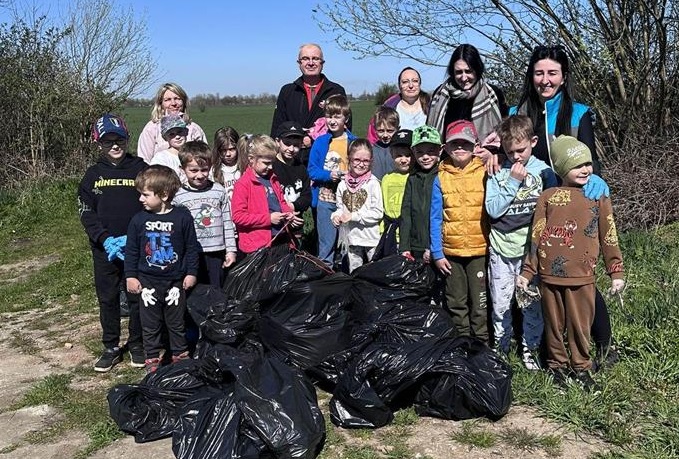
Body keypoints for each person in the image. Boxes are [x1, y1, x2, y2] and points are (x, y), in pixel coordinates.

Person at [512, 45, 618, 370]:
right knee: (544, 275)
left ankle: (602, 344)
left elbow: (590, 158)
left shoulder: (579, 112)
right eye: (539, 73)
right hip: (534, 203)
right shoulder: (519, 110)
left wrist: (596, 182)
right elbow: (507, 146)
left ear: (564, 76)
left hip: (573, 206)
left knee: (580, 277)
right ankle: (547, 347)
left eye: (552, 73)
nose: (545, 80)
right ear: (532, 76)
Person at [518, 135, 624, 390]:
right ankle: (557, 367)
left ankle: (582, 367)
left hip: (582, 276)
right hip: (549, 277)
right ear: (562, 168)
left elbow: (609, 235)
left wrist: (616, 271)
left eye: (588, 163)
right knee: (554, 326)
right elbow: (536, 236)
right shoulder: (548, 197)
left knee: (580, 326)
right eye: (578, 165)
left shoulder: (598, 197)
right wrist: (527, 272)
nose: (586, 169)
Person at [485, 115, 559, 370]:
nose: (516, 156)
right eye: (510, 151)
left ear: (533, 142)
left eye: (521, 150)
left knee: (531, 304)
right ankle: (501, 347)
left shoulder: (544, 173)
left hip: (530, 253)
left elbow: (553, 211)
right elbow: (493, 210)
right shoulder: (497, 171)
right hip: (501, 248)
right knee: (501, 304)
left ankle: (531, 349)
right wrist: (513, 182)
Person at [78, 113, 146, 372]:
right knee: (107, 297)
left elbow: (152, 201)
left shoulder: (140, 167)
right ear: (99, 144)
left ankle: (137, 344)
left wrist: (136, 236)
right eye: (108, 142)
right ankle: (111, 346)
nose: (115, 146)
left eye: (119, 140)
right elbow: (86, 212)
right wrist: (104, 239)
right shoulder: (92, 175)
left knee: (136, 296)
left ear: (127, 139)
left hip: (135, 246)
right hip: (105, 249)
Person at [125, 165, 199, 373]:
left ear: (164, 194)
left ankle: (180, 355)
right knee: (150, 324)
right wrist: (131, 276)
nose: (140, 199)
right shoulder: (138, 220)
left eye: (145, 195)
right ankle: (152, 358)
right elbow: (131, 251)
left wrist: (191, 272)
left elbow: (191, 248)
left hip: (175, 281)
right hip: (148, 281)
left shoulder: (182, 218)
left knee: (177, 322)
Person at [430, 120, 490, 343]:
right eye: (455, 144)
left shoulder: (485, 171)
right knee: (456, 300)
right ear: (445, 147)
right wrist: (437, 253)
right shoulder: (441, 176)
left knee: (480, 300)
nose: (460, 149)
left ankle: (481, 341)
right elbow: (435, 217)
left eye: (465, 144)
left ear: (475, 145)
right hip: (451, 253)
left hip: (479, 250)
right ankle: (462, 341)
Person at [427, 44, 508, 162]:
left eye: (468, 71)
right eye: (459, 72)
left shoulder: (493, 94)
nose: (464, 78)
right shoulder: (441, 95)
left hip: (483, 163)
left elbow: (505, 132)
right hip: (447, 165)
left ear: (477, 70)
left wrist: (491, 152)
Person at [271, 43, 350, 165]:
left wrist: (313, 140)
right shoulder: (287, 91)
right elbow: (277, 128)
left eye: (315, 58)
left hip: (326, 158)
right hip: (293, 159)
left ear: (322, 63)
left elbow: (345, 126)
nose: (311, 63)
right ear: (299, 63)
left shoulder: (336, 91)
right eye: (305, 59)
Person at [173, 141, 237, 288]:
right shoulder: (178, 195)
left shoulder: (218, 190)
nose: (200, 175)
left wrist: (231, 250)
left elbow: (227, 222)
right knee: (193, 290)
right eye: (194, 170)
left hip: (216, 252)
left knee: (216, 289)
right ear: (182, 169)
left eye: (204, 170)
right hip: (191, 253)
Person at [307, 94, 356, 268]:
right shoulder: (320, 142)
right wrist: (329, 175)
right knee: (326, 245)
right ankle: (324, 277)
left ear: (346, 118)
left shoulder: (354, 142)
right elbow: (312, 170)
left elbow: (361, 166)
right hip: (326, 198)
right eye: (329, 116)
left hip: (349, 199)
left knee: (349, 244)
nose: (332, 121)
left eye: (337, 116)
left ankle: (346, 276)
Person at [231, 135, 302, 255]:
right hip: (258, 245)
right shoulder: (243, 184)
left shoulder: (273, 179)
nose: (270, 167)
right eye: (266, 163)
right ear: (251, 159)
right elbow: (238, 217)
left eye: (272, 163)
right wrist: (268, 219)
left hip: (280, 238)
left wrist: (288, 214)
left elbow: (281, 202)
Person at [331, 139, 384, 273]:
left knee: (374, 273)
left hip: (371, 239)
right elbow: (339, 208)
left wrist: (353, 216)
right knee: (355, 272)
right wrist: (336, 217)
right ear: (349, 159)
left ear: (371, 161)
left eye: (365, 161)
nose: (361, 164)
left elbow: (378, 213)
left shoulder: (373, 183)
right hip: (352, 239)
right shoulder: (343, 184)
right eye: (357, 160)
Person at [399, 125, 441, 263]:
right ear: (413, 152)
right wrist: (404, 247)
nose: (425, 157)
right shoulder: (412, 178)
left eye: (431, 151)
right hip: (415, 245)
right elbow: (406, 213)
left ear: (440, 150)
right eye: (420, 152)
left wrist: (433, 246)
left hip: (438, 245)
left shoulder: (443, 175)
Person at [137, 83, 207, 163]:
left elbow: (205, 158)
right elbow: (144, 161)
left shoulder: (194, 128)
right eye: (168, 100)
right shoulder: (151, 128)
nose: (173, 103)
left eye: (177, 98)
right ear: (161, 104)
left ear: (184, 101)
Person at [373, 129, 413, 260]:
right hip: (390, 232)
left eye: (408, 155)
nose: (403, 160)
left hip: (409, 234)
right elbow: (382, 205)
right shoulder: (387, 178)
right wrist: (381, 230)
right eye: (399, 155)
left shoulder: (414, 177)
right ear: (391, 154)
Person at [273, 121, 312, 246]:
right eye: (287, 144)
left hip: (296, 225)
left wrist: (293, 206)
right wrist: (285, 210)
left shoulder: (301, 168)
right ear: (277, 141)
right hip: (276, 226)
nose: (291, 149)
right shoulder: (271, 167)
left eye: (296, 145)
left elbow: (307, 197)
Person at [367, 67, 430, 143]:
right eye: (405, 82)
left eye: (415, 81)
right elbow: (373, 140)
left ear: (420, 84)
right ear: (399, 85)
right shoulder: (389, 106)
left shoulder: (432, 107)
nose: (410, 85)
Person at [150, 113, 189, 180]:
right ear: (165, 138)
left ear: (186, 132)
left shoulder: (194, 153)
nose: (177, 137)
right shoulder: (161, 158)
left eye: (180, 132)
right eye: (172, 134)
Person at [210, 126, 241, 204]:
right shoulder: (212, 170)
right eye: (223, 150)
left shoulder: (244, 167)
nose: (228, 154)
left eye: (232, 149)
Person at [370, 106, 399, 180]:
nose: (385, 135)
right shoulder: (371, 150)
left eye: (390, 131)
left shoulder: (400, 149)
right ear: (375, 129)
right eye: (381, 131)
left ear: (398, 129)